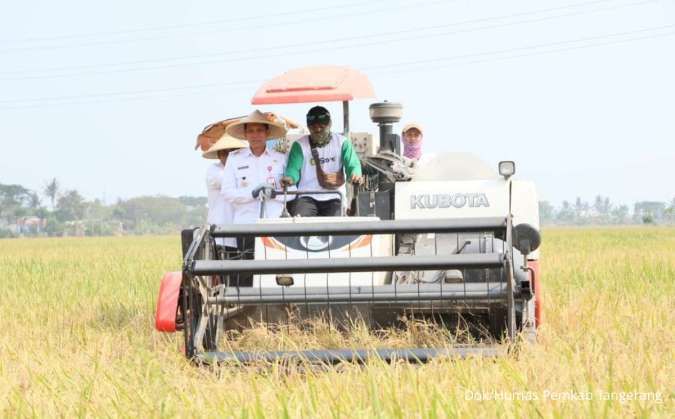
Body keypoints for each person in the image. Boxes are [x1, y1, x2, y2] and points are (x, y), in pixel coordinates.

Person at [221, 110, 289, 278]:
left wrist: (275, 194)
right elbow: (227, 192)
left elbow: (293, 192)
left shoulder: (281, 158)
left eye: (259, 130)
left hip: (274, 223)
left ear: (267, 132)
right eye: (250, 131)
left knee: (276, 273)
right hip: (246, 223)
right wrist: (252, 193)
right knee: (246, 274)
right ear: (245, 134)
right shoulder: (234, 158)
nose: (255, 135)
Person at [281, 106, 362, 217]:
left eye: (321, 126)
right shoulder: (299, 145)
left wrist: (355, 175)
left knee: (336, 225)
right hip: (306, 196)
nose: (318, 129)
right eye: (313, 127)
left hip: (334, 196)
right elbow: (293, 169)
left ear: (330, 125)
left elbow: (352, 165)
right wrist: (290, 178)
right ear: (308, 128)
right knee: (300, 223)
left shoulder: (342, 142)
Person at [202, 133, 248, 257]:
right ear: (219, 154)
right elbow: (237, 182)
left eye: (232, 151)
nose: (228, 155)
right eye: (224, 152)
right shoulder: (214, 170)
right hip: (221, 231)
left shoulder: (244, 169)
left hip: (243, 228)